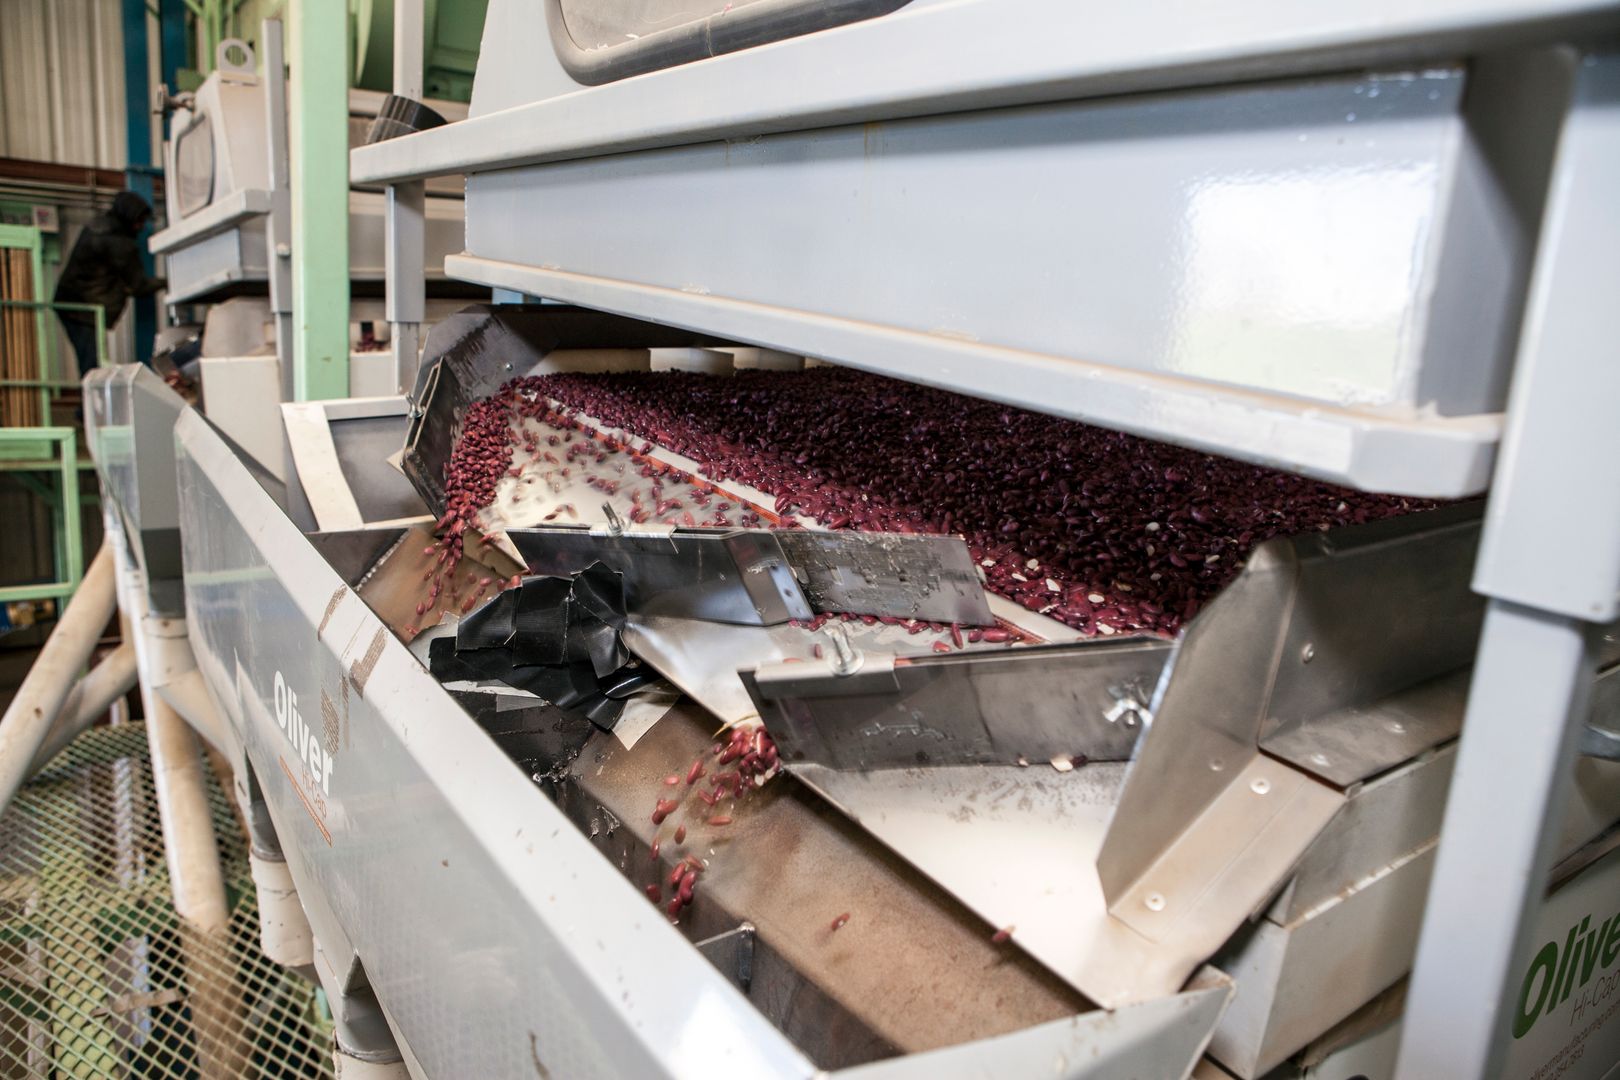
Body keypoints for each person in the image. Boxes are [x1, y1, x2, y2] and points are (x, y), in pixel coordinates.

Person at [53, 191, 166, 377]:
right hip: (85, 311)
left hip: (73, 304)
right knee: (92, 367)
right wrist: (167, 283)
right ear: (130, 217)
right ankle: (90, 396)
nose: (141, 227)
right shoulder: (119, 242)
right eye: (139, 221)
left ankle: (90, 395)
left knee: (91, 364)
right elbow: (139, 286)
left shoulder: (97, 226)